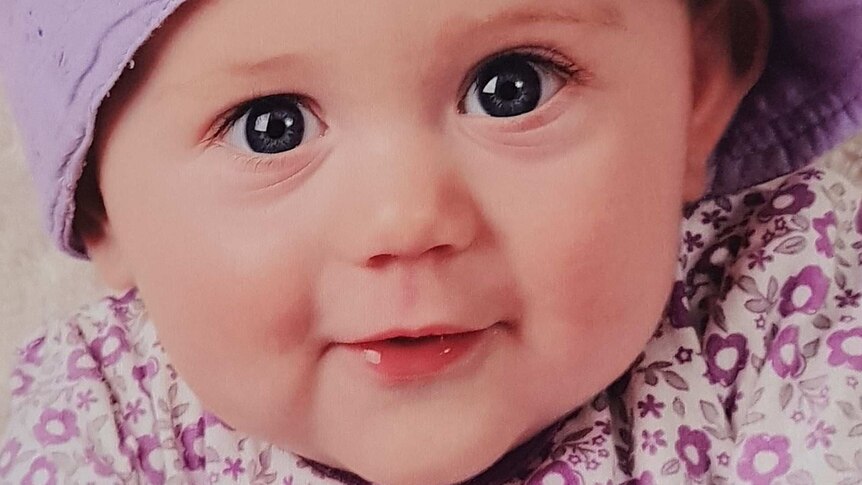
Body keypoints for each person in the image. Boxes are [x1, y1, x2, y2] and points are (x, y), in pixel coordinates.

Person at [0, 0, 861, 483]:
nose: (405, 220)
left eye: (511, 85)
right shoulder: (100, 418)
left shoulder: (787, 301)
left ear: (697, 91)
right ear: (102, 209)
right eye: (271, 127)